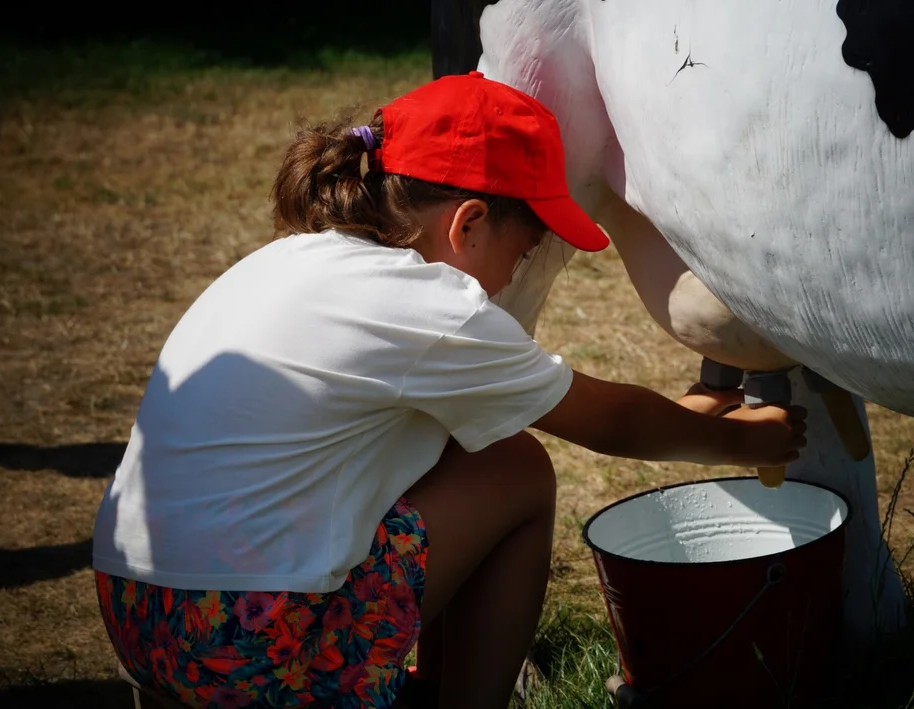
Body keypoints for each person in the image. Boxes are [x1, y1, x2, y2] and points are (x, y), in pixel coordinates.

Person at [91, 71, 807, 709]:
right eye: (521, 255)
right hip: (243, 651)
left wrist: (685, 413)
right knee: (517, 468)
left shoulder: (284, 262)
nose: (510, 279)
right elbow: (612, 422)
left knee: (459, 451)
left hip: (138, 620)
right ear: (467, 224)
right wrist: (743, 437)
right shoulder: (432, 306)